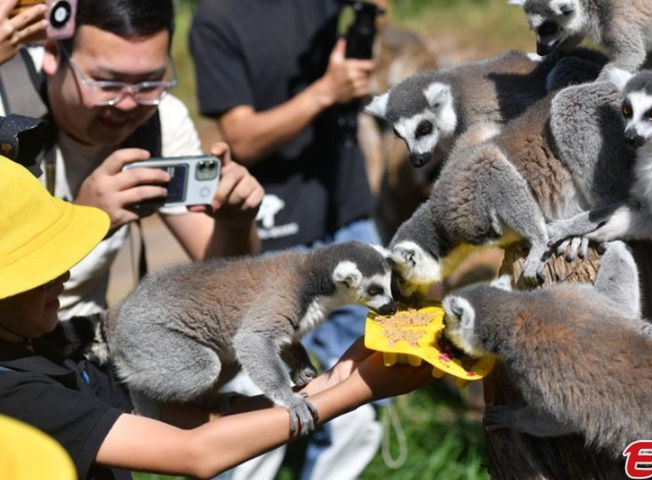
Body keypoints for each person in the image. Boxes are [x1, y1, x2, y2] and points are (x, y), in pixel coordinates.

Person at [0, 156, 431, 480]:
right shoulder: (18, 392)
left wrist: (332, 385)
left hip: (158, 338)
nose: (68, 275)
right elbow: (195, 453)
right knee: (218, 359)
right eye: (43, 270)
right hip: (163, 333)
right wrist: (352, 391)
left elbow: (183, 422)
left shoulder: (43, 346)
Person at [190, 1, 385, 478]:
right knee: (265, 416)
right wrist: (326, 91)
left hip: (348, 217)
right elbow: (241, 137)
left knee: (366, 391)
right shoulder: (217, 18)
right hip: (273, 236)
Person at [0, 0, 264, 319]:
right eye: (107, 82)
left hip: (80, 342)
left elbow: (228, 278)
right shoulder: (5, 104)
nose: (127, 103)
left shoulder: (161, 120)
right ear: (54, 54)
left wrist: (236, 223)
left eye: (150, 82)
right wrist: (83, 222)